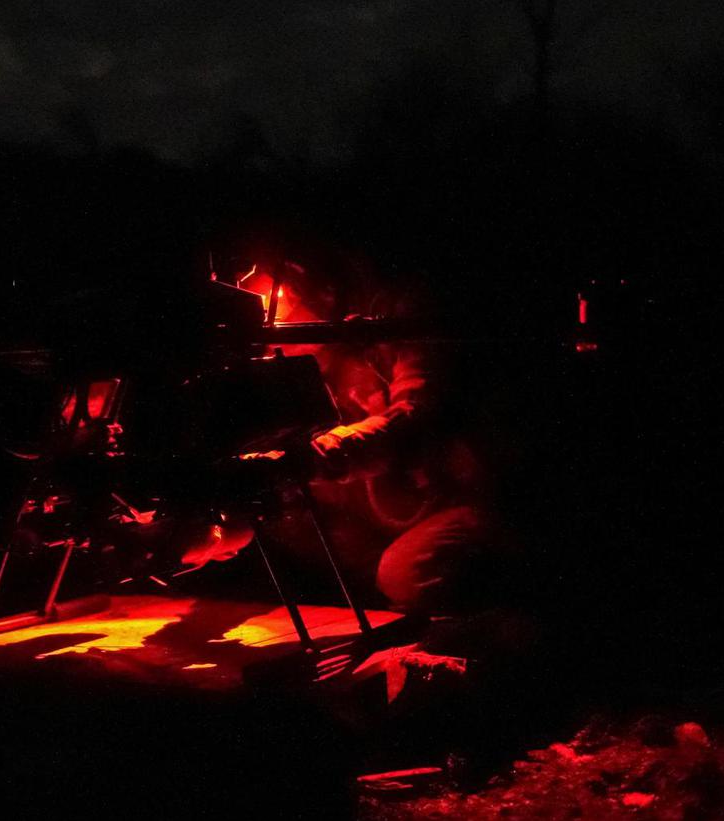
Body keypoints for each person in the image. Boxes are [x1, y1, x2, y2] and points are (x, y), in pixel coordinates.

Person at [205, 239, 517, 618]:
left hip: (464, 496)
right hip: (375, 525)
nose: (263, 318)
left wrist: (315, 458)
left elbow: (415, 418)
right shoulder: (284, 359)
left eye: (274, 298)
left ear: (311, 283)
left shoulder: (395, 312)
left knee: (407, 571)